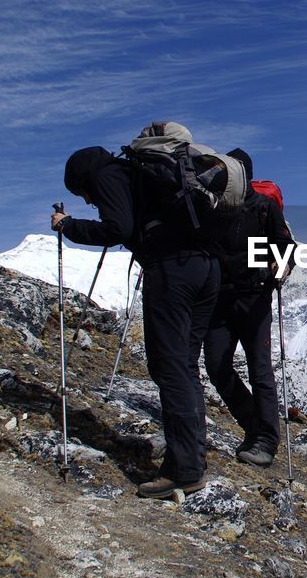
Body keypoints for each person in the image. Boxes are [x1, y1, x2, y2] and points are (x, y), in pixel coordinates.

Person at [53, 126, 220, 499]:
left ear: (84, 178)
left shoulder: (108, 176)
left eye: (83, 194)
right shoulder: (138, 173)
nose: (87, 200)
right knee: (184, 366)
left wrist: (69, 226)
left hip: (172, 271)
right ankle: (190, 460)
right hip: (207, 268)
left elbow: (118, 228)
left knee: (170, 368)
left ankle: (186, 471)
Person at [203, 147, 293, 467]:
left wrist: (279, 268)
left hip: (254, 297)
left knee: (259, 370)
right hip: (221, 297)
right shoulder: (214, 208)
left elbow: (285, 248)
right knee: (216, 365)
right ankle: (254, 427)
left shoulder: (264, 209)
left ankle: (266, 440)